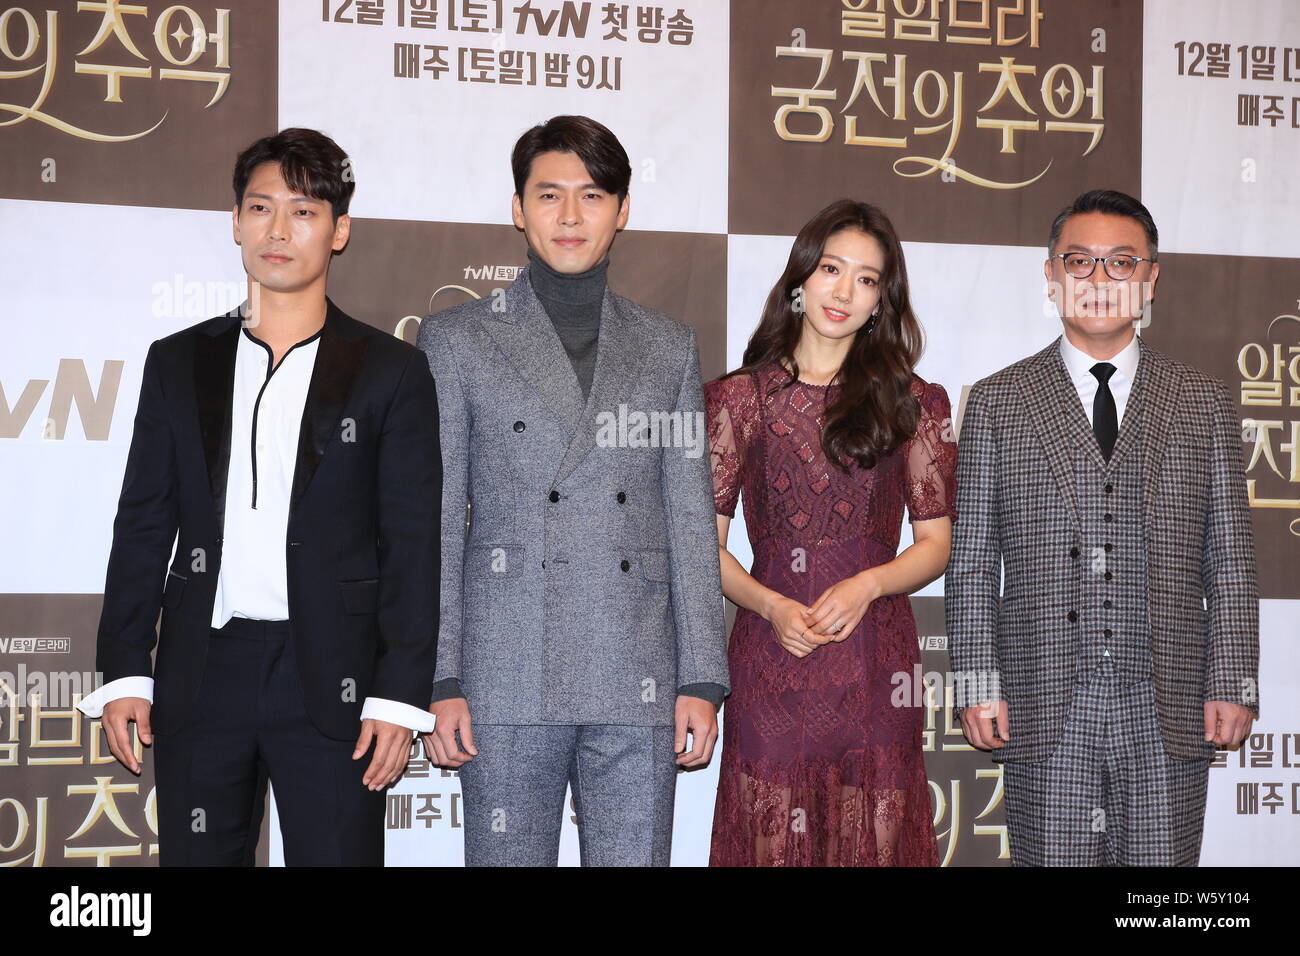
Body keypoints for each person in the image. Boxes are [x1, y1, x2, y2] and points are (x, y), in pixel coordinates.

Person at [78, 128, 442, 866]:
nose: (279, 230)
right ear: (236, 222)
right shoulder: (178, 362)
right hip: (203, 672)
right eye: (261, 207)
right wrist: (124, 669)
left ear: (339, 231)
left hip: (335, 681)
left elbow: (411, 542)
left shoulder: (391, 372)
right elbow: (143, 523)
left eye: (304, 211)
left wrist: (397, 694)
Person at [416, 115, 729, 867]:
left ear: (622, 210)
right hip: (506, 662)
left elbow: (690, 513)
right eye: (548, 195)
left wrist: (702, 676)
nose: (569, 216)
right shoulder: (456, 339)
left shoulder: (668, 345)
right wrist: (441, 673)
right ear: (518, 208)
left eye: (591, 196)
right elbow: (434, 517)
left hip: (639, 666)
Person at [946, 188, 1259, 866]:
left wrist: (1232, 679)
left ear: (1151, 278)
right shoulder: (999, 401)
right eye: (1080, 262)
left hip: (1167, 705)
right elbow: (971, 561)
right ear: (1051, 275)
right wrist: (976, 682)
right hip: (1043, 704)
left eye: (1121, 263)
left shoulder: (1201, 400)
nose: (1099, 281)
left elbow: (1229, 558)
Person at [704, 199, 954, 866]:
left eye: (867, 279)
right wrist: (770, 604)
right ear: (800, 279)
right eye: (831, 269)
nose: (844, 291)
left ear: (882, 300)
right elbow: (704, 544)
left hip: (875, 659)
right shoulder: (739, 400)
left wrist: (867, 585)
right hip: (770, 654)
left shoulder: (916, 403)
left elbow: (936, 544)